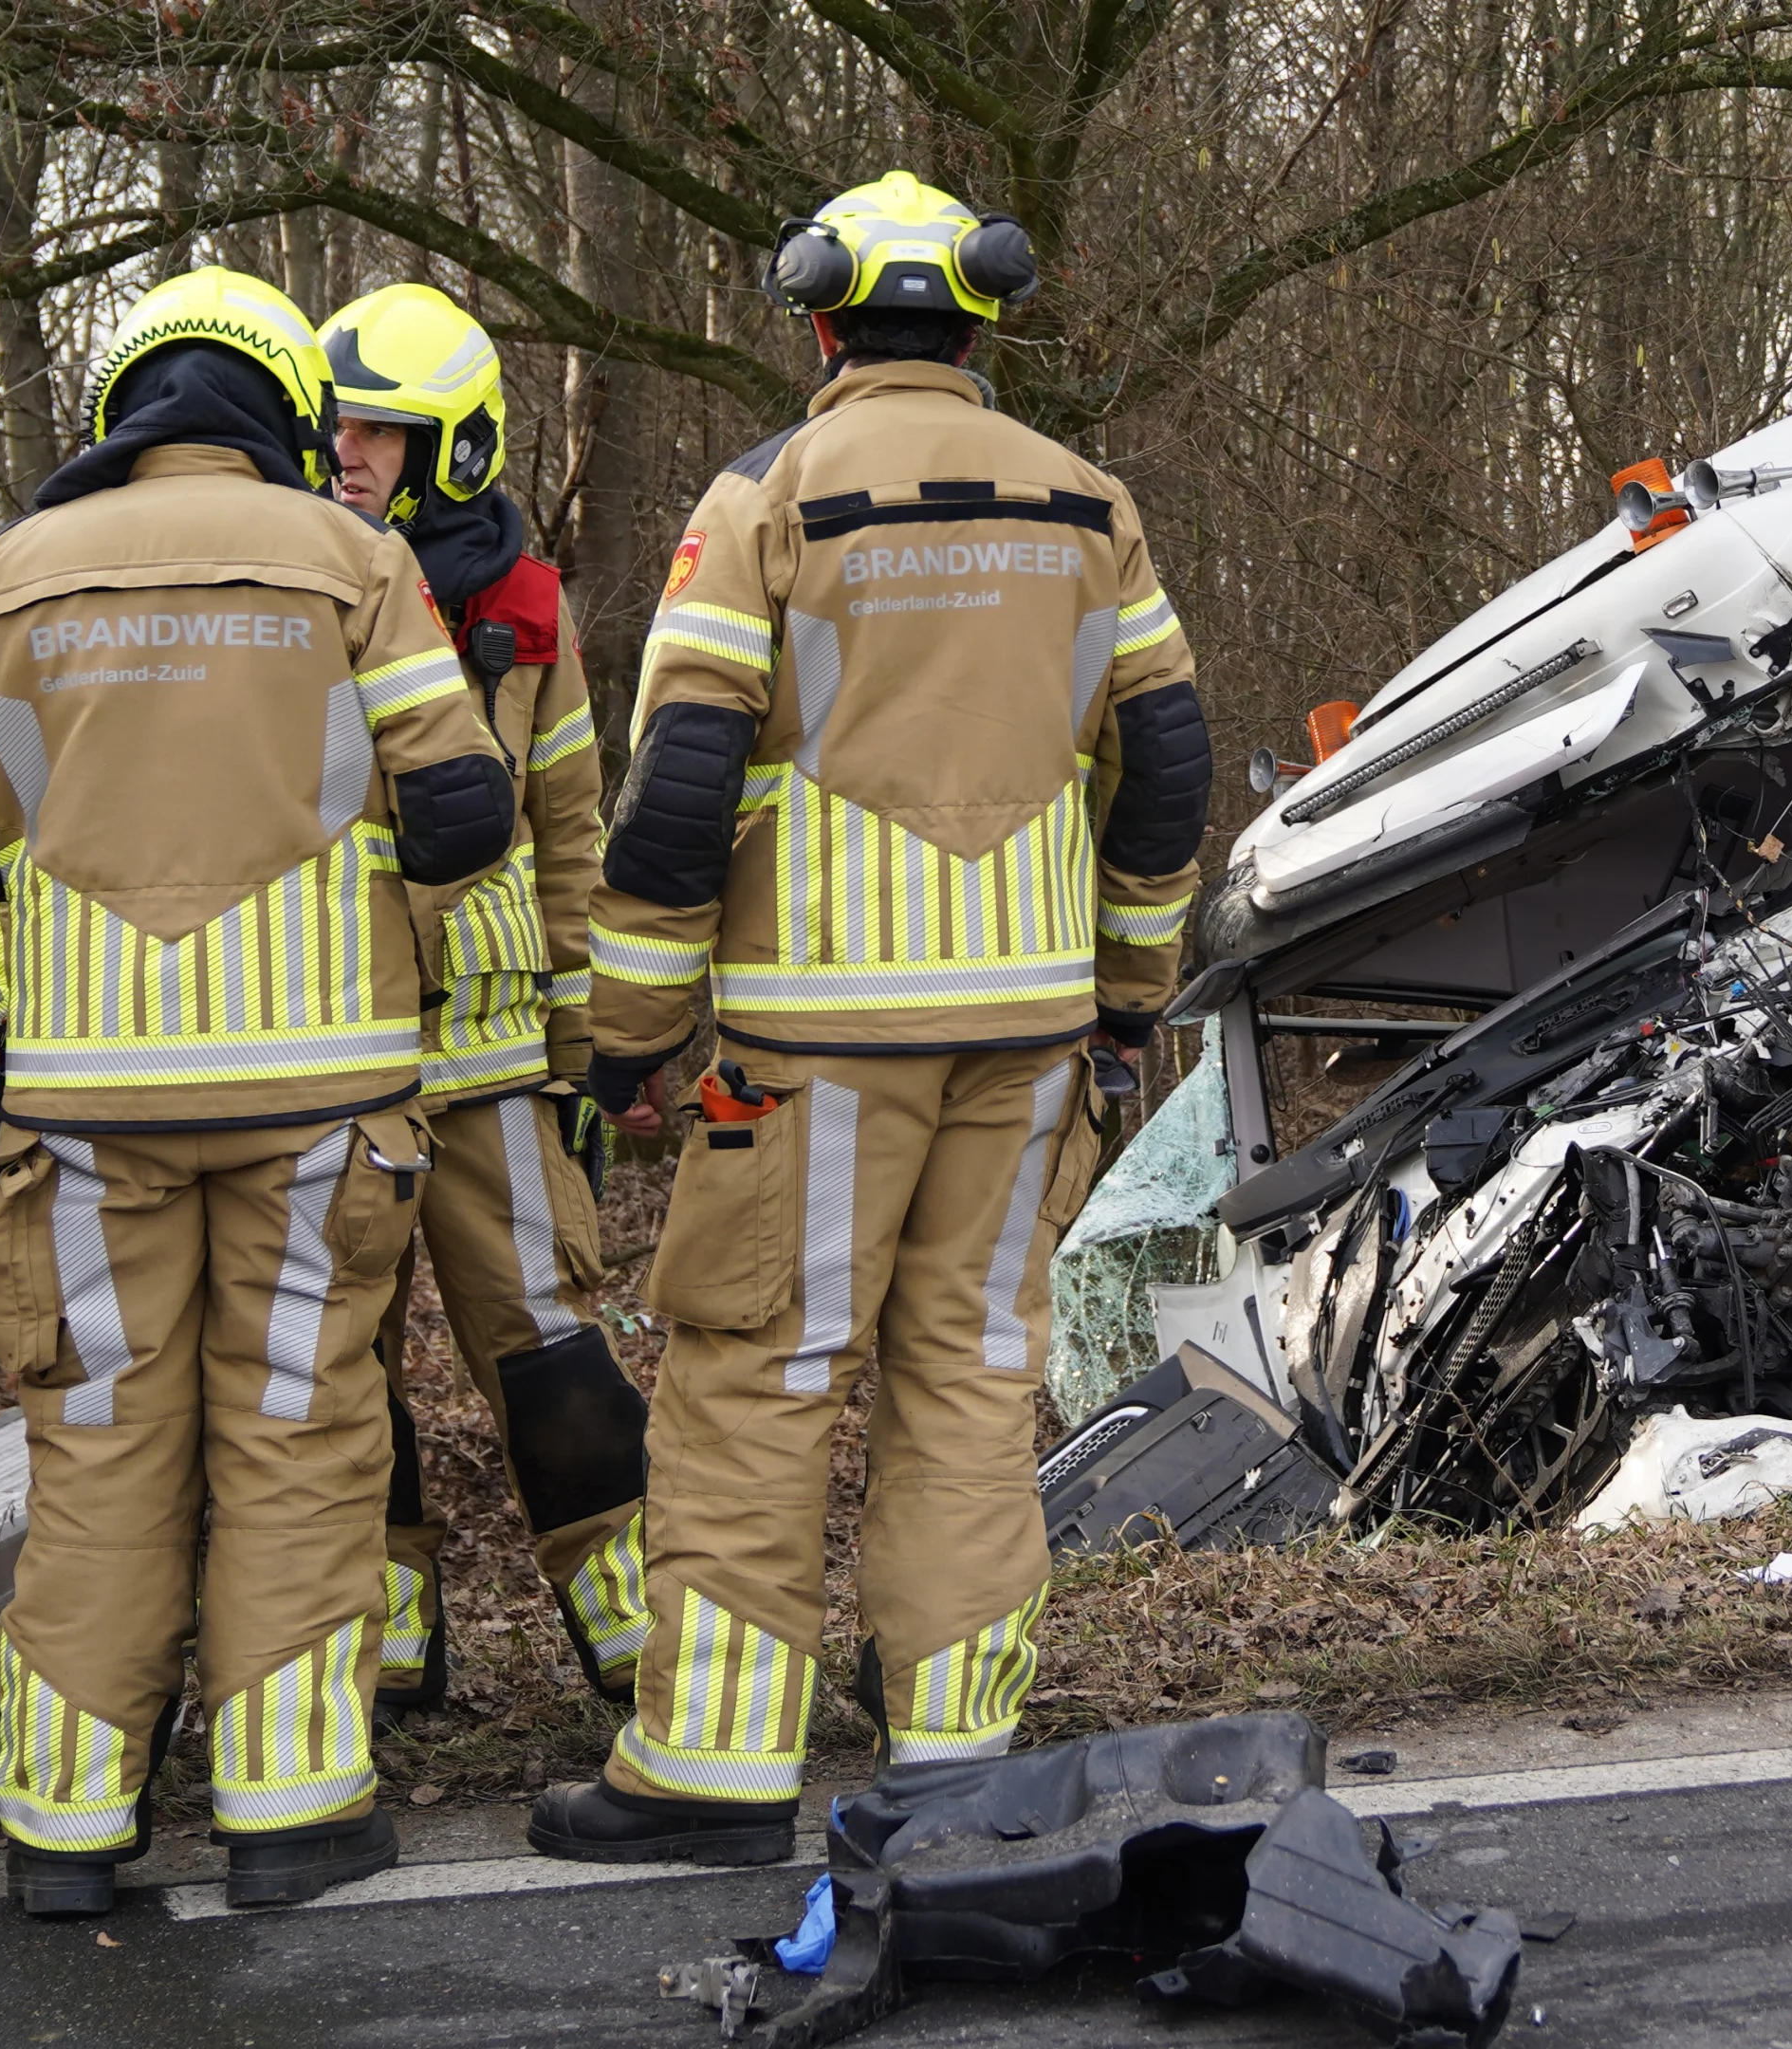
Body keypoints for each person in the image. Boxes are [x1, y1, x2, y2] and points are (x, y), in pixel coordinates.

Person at [527, 173, 1212, 1866]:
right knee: (974, 1378)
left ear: (823, 321)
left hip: (812, 1041)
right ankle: (960, 1754)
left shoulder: (766, 497)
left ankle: (711, 1764)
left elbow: (682, 781)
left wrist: (632, 1032)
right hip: (1031, 1031)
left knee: (760, 1379)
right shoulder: (1086, 503)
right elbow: (1170, 762)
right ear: (977, 322)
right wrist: (1130, 995)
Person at [0, 267, 516, 1917]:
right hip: (322, 1094)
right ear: (289, 415)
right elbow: (462, 814)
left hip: (86, 1101)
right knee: (300, 1429)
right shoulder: (355, 562)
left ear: (123, 408)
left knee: (97, 1443)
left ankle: (67, 1828)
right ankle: (293, 1808)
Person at [314, 281, 650, 1725]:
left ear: (456, 445)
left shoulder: (524, 602)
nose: (350, 453)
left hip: (496, 1053)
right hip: (328, 1045)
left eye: (383, 433)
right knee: (340, 1355)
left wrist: (589, 1049)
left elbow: (572, 822)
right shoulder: (288, 578)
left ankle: (642, 1639)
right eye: (337, 426)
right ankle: (386, 1643)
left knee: (549, 1343)